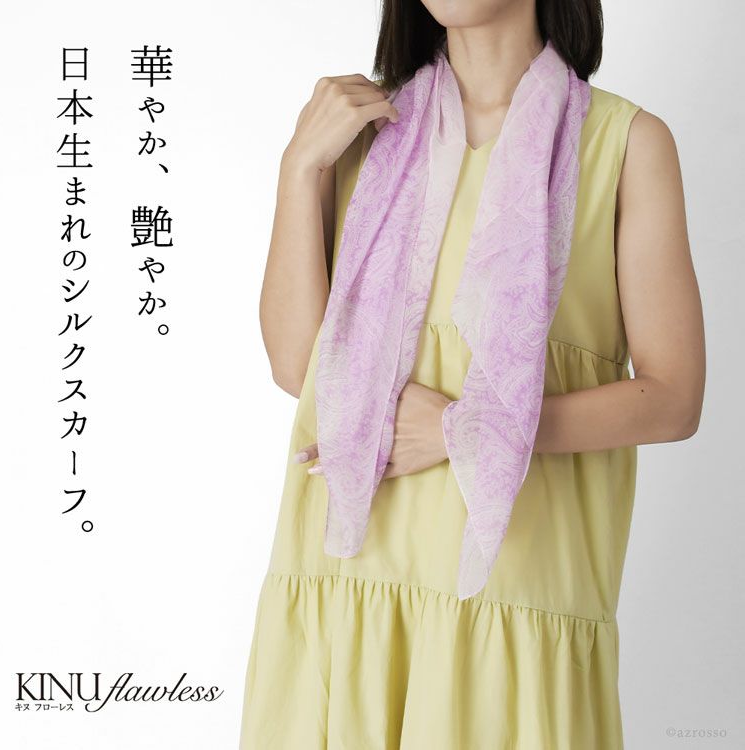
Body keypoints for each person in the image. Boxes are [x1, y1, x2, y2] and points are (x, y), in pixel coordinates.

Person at [239, 0, 706, 747]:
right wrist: (299, 172)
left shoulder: (623, 143)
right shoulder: (357, 134)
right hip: (347, 588)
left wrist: (468, 429)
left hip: (514, 599)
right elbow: (301, 368)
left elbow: (674, 398)